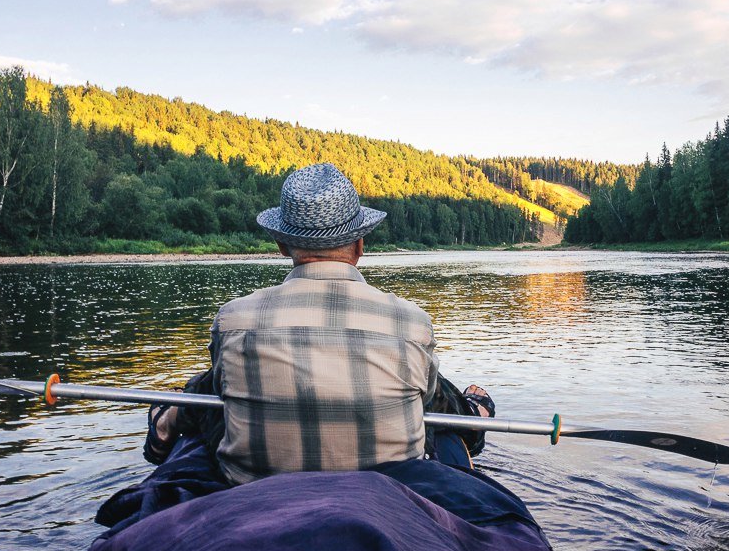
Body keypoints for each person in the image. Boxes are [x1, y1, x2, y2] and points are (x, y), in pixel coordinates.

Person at [144, 162, 494, 484]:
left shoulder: (234, 319)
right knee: (427, 394)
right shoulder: (412, 322)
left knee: (207, 387)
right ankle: (475, 412)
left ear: (282, 245)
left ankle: (166, 422)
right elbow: (431, 397)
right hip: (387, 491)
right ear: (360, 245)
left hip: (255, 488)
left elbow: (219, 384)